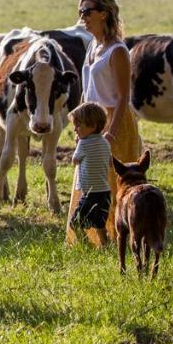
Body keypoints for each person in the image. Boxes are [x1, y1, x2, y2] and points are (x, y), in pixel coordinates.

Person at [68, 0, 142, 246]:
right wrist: (79, 122)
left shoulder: (117, 51)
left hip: (114, 120)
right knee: (89, 178)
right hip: (91, 121)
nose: (83, 17)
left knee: (112, 180)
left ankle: (120, 234)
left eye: (87, 11)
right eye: (81, 12)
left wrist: (111, 132)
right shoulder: (92, 47)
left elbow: (123, 96)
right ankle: (96, 238)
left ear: (104, 14)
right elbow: (87, 89)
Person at [68, 101, 113, 246]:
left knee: (75, 223)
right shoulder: (105, 142)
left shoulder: (83, 143)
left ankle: (85, 246)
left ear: (92, 126)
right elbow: (110, 162)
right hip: (105, 192)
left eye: (78, 125)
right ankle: (104, 246)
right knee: (100, 224)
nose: (75, 129)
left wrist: (77, 145)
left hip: (90, 193)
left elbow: (75, 160)